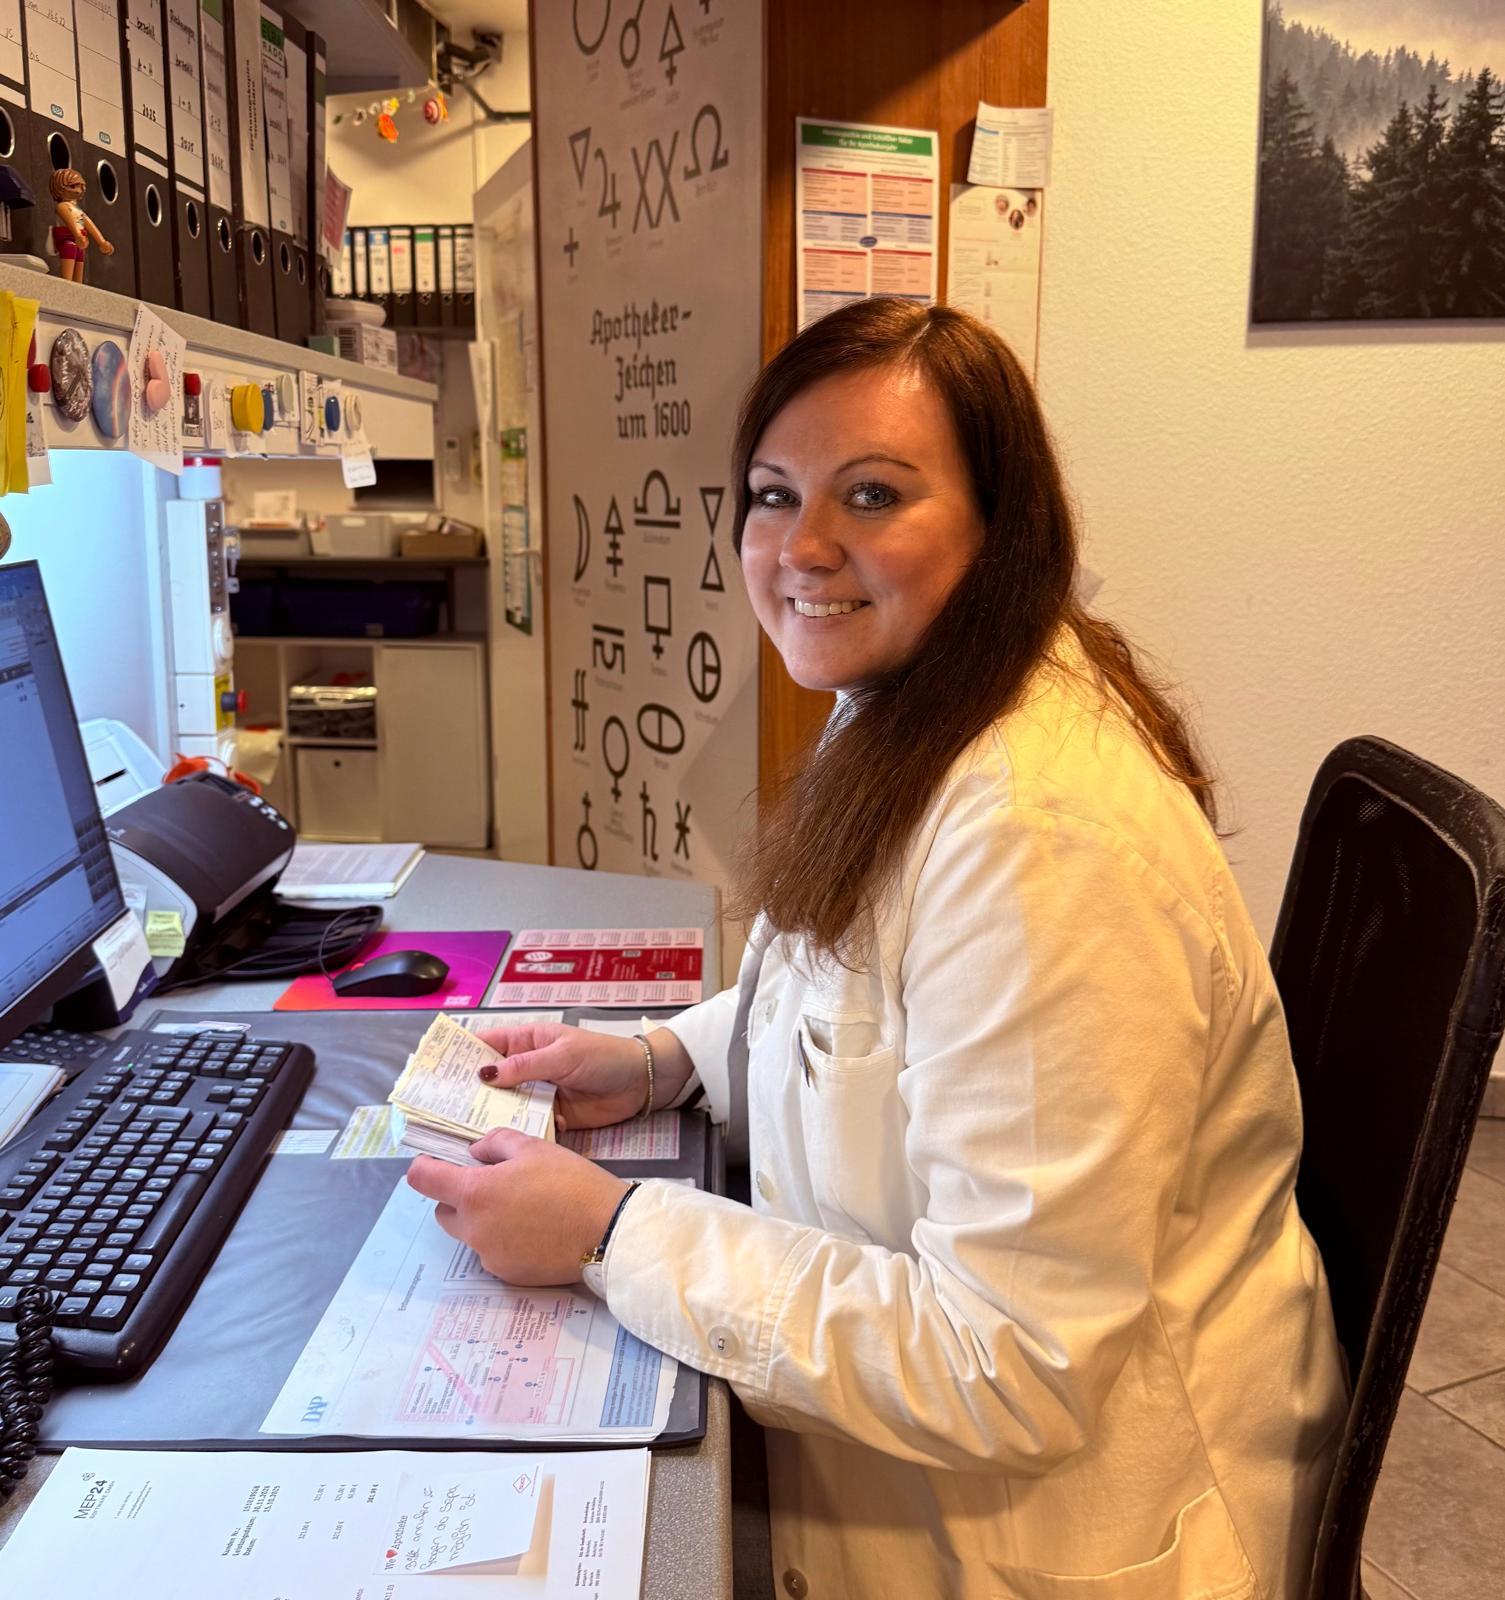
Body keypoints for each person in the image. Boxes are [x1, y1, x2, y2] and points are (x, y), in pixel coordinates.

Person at [408, 298, 1348, 1599]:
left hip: (1060, 1533)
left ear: (1000, 523)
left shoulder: (1039, 839)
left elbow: (1012, 1363)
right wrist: (659, 1060)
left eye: (872, 495)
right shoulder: (913, 701)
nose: (802, 548)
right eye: (772, 495)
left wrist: (609, 1234)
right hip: (927, 1478)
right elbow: (847, 1005)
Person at [48, 169, 113, 283]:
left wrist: (101, 241)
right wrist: (77, 235)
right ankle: (66, 285)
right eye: (73, 186)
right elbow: (70, 222)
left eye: (80, 187)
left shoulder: (76, 209)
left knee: (79, 276)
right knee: (67, 277)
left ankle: (78, 288)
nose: (78, 190)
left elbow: (89, 224)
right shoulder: (62, 206)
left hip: (79, 241)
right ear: (59, 187)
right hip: (68, 240)